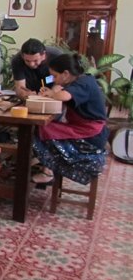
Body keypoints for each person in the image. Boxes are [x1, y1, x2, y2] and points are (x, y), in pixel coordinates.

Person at [31, 53, 108, 185]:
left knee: (41, 129)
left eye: (55, 76)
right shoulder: (80, 78)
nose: (53, 79)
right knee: (42, 129)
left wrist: (52, 93)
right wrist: (43, 86)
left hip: (91, 136)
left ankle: (47, 170)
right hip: (86, 129)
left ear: (66, 74)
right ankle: (40, 162)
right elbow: (47, 80)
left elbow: (65, 96)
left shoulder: (83, 83)